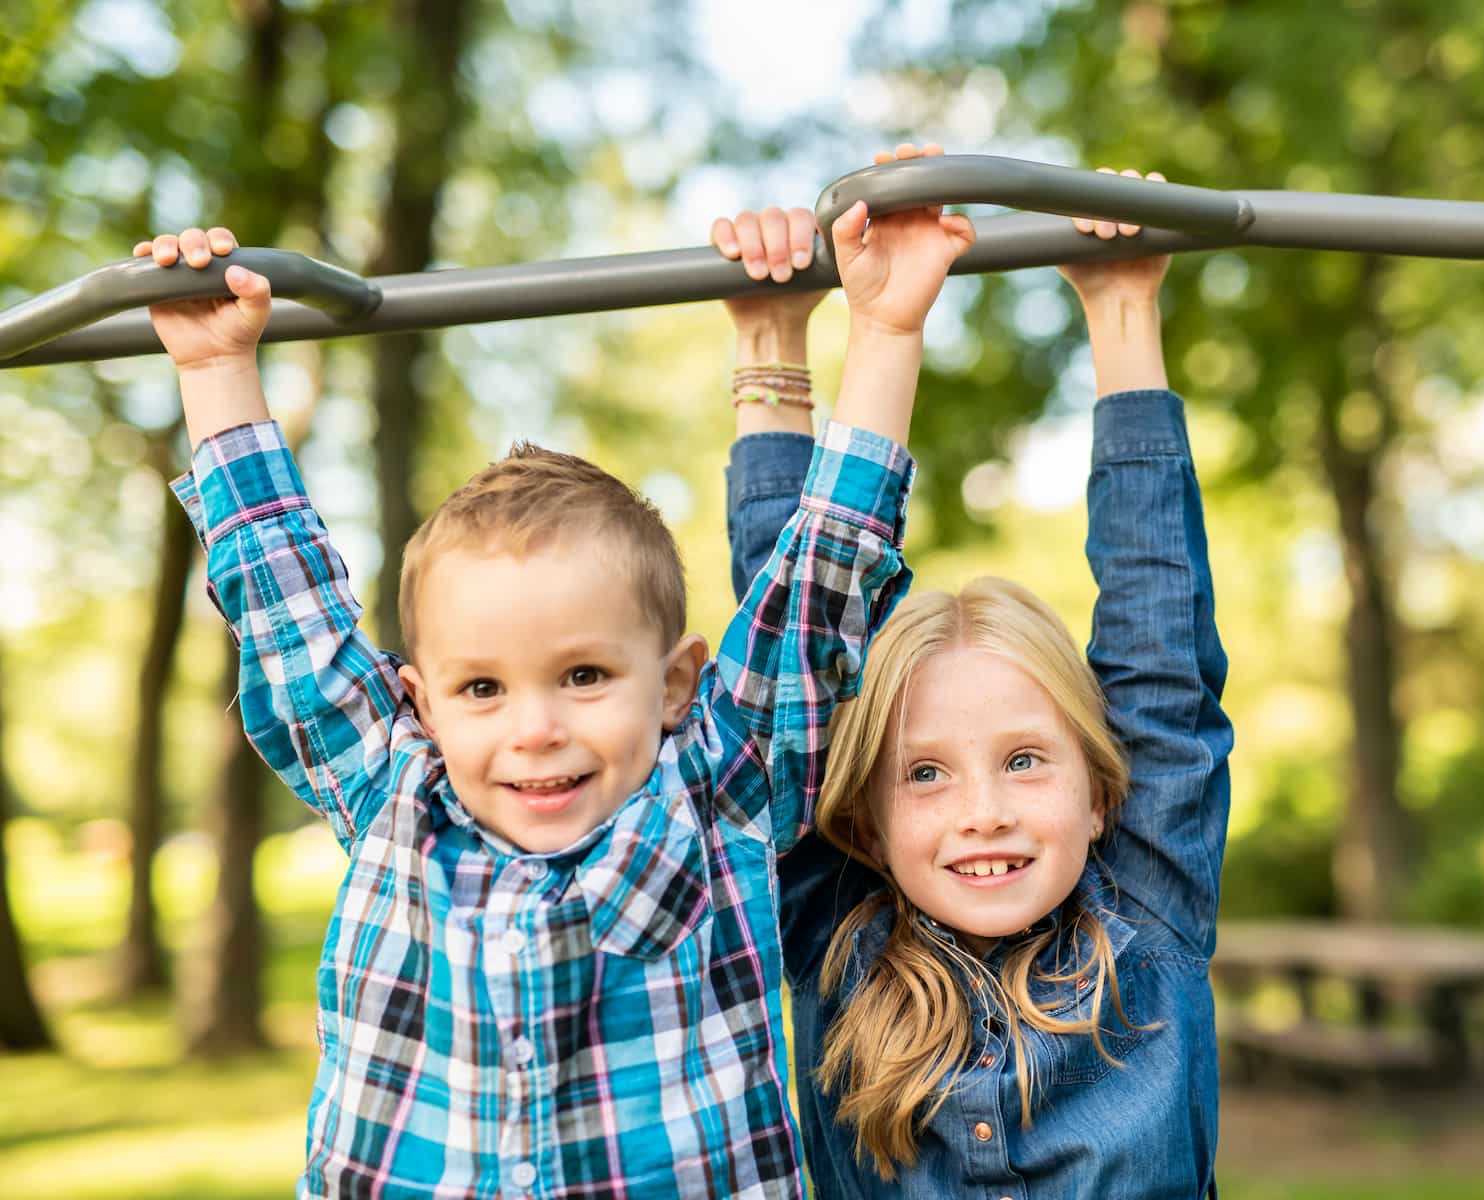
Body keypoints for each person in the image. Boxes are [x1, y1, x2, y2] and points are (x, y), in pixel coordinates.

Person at [132, 139, 972, 1198]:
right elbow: (283, 608)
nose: (536, 729)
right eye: (482, 689)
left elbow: (826, 578)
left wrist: (886, 327)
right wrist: (216, 371)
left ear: (673, 685)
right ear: (419, 700)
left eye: (583, 676)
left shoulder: (719, 794)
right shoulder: (396, 795)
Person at [720, 169, 1234, 1197]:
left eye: (1027, 760)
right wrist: (772, 344)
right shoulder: (835, 935)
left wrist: (1122, 301)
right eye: (923, 776)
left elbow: (1160, 652)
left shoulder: (1146, 912)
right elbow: (798, 662)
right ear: (860, 819)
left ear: (1101, 796)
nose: (984, 814)